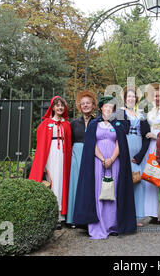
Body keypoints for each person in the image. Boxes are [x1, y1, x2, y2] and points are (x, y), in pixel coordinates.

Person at [72, 96, 136, 239]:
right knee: (99, 192)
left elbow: (121, 143)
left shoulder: (118, 124)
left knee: (113, 192)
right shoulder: (94, 124)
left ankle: (113, 225)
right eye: (105, 106)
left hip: (115, 161)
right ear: (101, 108)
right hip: (97, 162)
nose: (108, 108)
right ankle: (98, 225)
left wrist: (112, 159)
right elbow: (91, 144)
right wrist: (102, 159)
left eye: (111, 107)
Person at [29, 96, 72, 229]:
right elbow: (41, 145)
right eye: (57, 105)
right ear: (52, 108)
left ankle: (60, 215)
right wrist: (42, 163)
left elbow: (69, 143)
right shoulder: (45, 124)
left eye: (62, 105)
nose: (60, 108)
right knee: (51, 181)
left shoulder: (66, 124)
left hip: (63, 156)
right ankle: (50, 215)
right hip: (50, 155)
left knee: (61, 182)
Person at [116, 86, 151, 227]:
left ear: (137, 99)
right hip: (125, 146)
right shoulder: (119, 113)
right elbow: (117, 133)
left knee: (138, 181)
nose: (131, 98)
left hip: (138, 150)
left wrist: (141, 155)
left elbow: (147, 136)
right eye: (128, 96)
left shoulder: (141, 114)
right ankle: (123, 215)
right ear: (124, 99)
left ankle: (136, 216)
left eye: (133, 96)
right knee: (124, 181)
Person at [66, 90, 97, 228]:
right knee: (76, 184)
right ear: (80, 106)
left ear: (93, 105)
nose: (85, 105)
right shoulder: (74, 123)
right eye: (83, 103)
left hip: (93, 153)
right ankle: (74, 218)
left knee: (91, 184)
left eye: (88, 103)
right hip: (77, 155)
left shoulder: (98, 121)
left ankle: (90, 217)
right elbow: (70, 142)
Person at [143, 82, 160, 223]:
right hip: (150, 146)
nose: (157, 98)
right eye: (155, 95)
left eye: (159, 95)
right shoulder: (150, 112)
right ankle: (152, 212)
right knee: (151, 174)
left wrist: (156, 135)